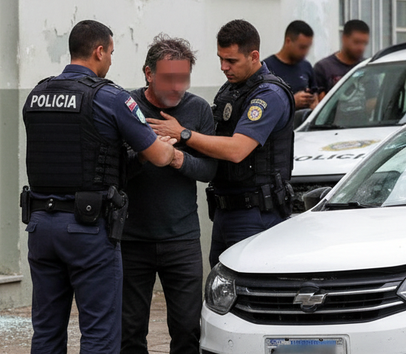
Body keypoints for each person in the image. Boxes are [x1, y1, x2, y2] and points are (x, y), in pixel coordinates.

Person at [22, 20, 176, 354]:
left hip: (40, 226)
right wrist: (167, 143)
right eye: (111, 53)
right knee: (99, 333)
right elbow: (159, 156)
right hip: (87, 230)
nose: (110, 62)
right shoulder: (109, 97)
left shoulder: (37, 94)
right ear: (99, 51)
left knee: (46, 331)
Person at [148, 20, 295, 266]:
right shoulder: (232, 89)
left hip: (256, 211)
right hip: (226, 210)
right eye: (220, 58)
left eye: (231, 61)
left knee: (248, 285)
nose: (223, 67)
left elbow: (237, 150)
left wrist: (184, 133)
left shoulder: (269, 95)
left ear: (254, 56)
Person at [121, 35, 217, 354]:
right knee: (129, 330)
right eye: (168, 78)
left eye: (184, 78)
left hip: (182, 239)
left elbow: (209, 171)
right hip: (132, 238)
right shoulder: (127, 106)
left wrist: (177, 155)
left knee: (188, 329)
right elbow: (115, 171)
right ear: (149, 73)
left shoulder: (198, 109)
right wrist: (147, 153)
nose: (177, 87)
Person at [263, 20, 319, 110]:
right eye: (302, 47)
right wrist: (292, 102)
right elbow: (262, 105)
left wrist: (312, 101)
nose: (305, 52)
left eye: (308, 47)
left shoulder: (306, 66)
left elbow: (315, 95)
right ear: (288, 41)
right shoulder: (267, 68)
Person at [313, 19, 370, 99]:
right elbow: (319, 105)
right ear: (344, 38)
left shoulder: (368, 67)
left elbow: (373, 101)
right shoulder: (323, 68)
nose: (361, 48)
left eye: (364, 43)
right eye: (356, 42)